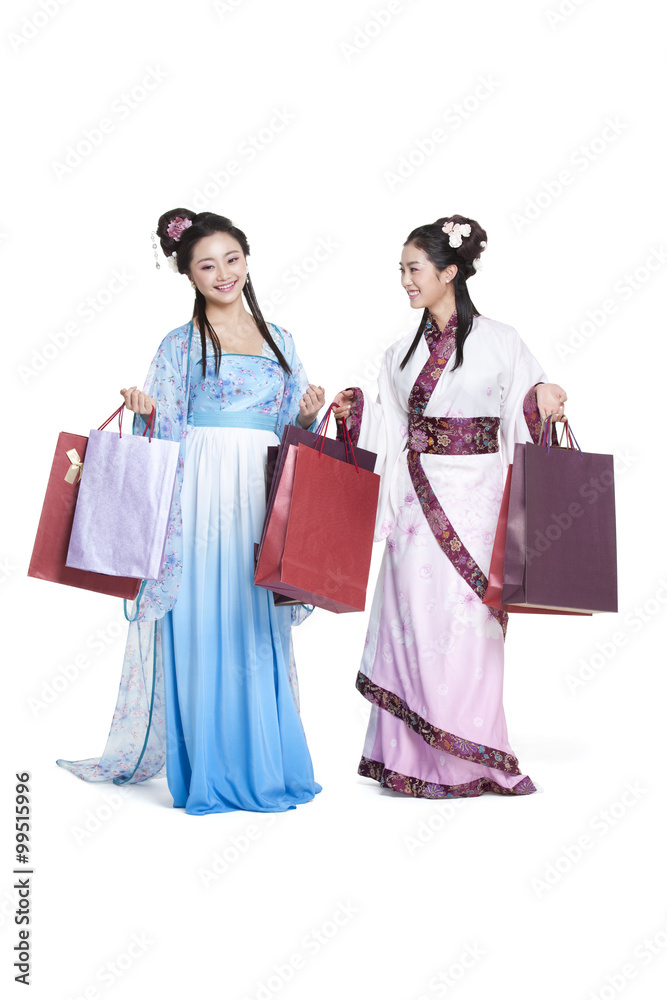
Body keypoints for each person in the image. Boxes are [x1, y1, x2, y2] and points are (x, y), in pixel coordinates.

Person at [57, 210, 325, 815]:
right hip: (201, 491)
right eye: (207, 264)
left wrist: (307, 417)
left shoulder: (280, 339)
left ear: (248, 260)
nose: (223, 273)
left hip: (261, 490)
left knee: (257, 619)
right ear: (190, 275)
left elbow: (290, 431)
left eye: (232, 259)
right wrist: (146, 412)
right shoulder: (178, 345)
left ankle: (263, 759)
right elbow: (167, 433)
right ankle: (210, 763)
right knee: (207, 614)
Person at [333, 215, 566, 799]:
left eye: (414, 270)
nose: (406, 281)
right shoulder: (399, 352)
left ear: (449, 272)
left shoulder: (503, 340)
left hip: (480, 499)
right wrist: (354, 409)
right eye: (403, 271)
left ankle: (471, 754)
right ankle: (410, 757)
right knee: (416, 618)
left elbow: (522, 407)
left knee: (470, 626)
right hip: (418, 501)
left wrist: (545, 397)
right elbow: (390, 423)